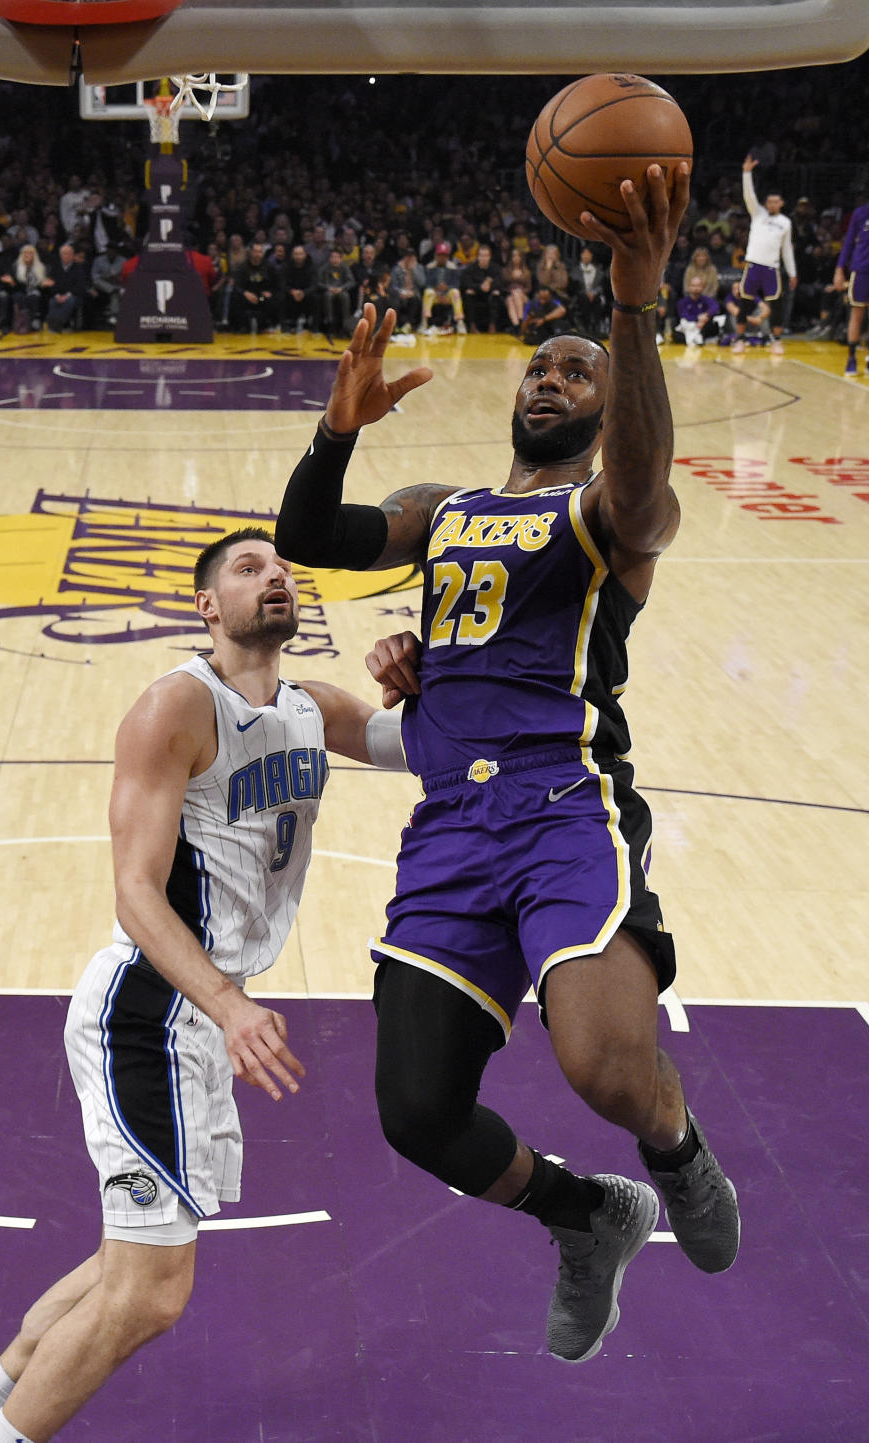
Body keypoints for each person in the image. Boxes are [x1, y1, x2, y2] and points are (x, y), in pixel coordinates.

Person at [274, 162, 741, 1367]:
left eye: (575, 370)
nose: (550, 380)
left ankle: (676, 1147)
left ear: (606, 399)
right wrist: (338, 429)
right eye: (541, 367)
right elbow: (310, 539)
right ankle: (590, 1219)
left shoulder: (610, 512)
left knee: (598, 1066)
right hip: (451, 824)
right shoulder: (449, 506)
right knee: (416, 1111)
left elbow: (641, 485)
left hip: (563, 808)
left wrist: (632, 310)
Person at [0, 528, 407, 1443]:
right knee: (150, 1294)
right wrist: (226, 1002)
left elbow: (432, 743)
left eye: (284, 570)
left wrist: (426, 677)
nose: (276, 579)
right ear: (207, 606)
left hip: (198, 1016)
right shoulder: (175, 707)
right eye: (250, 570)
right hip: (152, 1008)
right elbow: (135, 891)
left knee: (121, 1268)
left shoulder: (310, 707)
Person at [731, 156, 797, 355]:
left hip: (772, 268)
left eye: (775, 201)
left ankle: (775, 340)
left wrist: (793, 273)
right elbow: (749, 195)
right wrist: (746, 172)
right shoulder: (758, 214)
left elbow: (786, 249)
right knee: (745, 302)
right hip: (753, 266)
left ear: (782, 203)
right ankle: (740, 339)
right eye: (769, 201)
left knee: (776, 305)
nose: (772, 204)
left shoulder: (786, 223)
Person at [832, 196, 869, 376]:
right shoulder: (861, 213)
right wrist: (839, 269)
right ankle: (852, 358)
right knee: (856, 314)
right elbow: (847, 243)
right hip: (861, 270)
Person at [674, 273, 724, 347]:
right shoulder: (682, 302)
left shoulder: (706, 299)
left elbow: (715, 306)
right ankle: (695, 339)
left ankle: (699, 339)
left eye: (698, 286)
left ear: (703, 287)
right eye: (693, 286)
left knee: (713, 325)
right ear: (689, 287)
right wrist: (698, 318)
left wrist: (706, 315)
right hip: (690, 325)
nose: (696, 288)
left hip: (703, 325)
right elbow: (683, 314)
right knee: (677, 333)